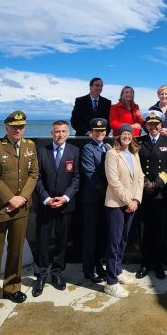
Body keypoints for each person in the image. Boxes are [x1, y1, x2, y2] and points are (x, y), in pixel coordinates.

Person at [0, 110, 39, 317]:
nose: (18, 130)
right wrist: (10, 199)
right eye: (14, 127)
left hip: (21, 207)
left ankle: (12, 287)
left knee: (16, 250)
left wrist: (21, 198)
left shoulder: (30, 146)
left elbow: (33, 173)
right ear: (6, 128)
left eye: (21, 126)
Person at [32, 120, 79, 296]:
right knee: (43, 240)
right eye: (57, 131)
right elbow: (36, 178)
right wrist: (46, 199)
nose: (60, 134)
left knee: (62, 240)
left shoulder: (74, 151)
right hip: (46, 205)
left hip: (65, 205)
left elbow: (76, 178)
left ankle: (57, 272)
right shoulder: (42, 152)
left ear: (69, 133)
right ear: (51, 133)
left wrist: (65, 197)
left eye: (64, 131)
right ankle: (41, 274)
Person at [103, 124, 145, 298]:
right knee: (114, 242)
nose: (126, 136)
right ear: (118, 136)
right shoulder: (112, 154)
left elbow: (140, 177)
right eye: (123, 134)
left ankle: (118, 271)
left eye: (129, 134)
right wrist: (129, 200)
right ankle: (110, 282)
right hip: (116, 204)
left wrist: (136, 199)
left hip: (131, 203)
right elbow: (113, 181)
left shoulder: (134, 153)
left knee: (124, 239)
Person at [136, 112, 167, 279]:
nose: (153, 127)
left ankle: (158, 263)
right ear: (146, 126)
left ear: (161, 125)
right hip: (144, 192)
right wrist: (146, 183)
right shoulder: (139, 142)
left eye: (156, 124)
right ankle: (145, 263)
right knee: (145, 230)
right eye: (150, 124)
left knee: (160, 230)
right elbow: (136, 166)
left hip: (160, 192)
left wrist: (157, 184)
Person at [80, 118, 110, 283]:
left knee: (101, 235)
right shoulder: (88, 149)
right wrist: (108, 190)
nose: (100, 133)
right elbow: (90, 173)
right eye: (96, 131)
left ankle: (99, 265)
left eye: (103, 131)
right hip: (93, 199)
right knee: (91, 235)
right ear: (91, 132)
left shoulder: (107, 147)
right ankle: (89, 270)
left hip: (105, 200)